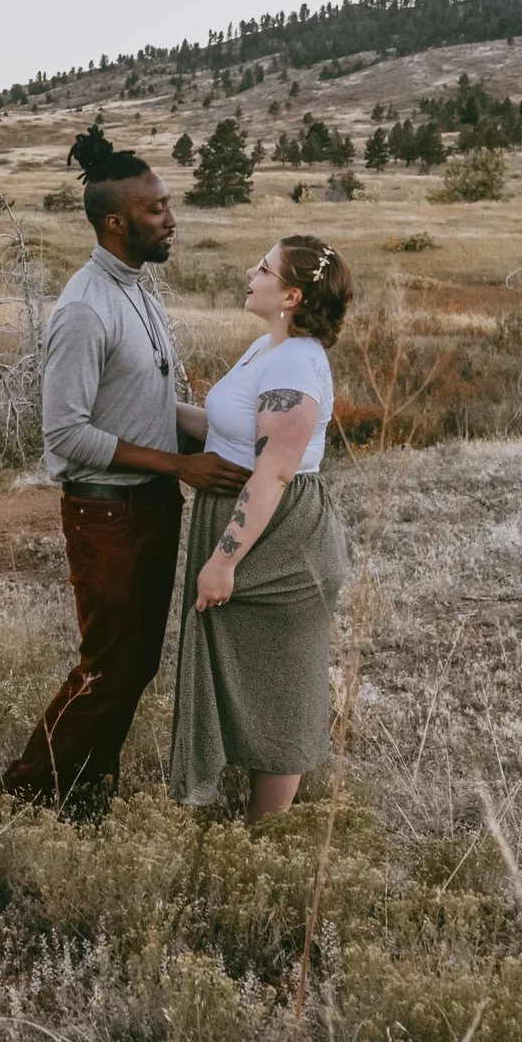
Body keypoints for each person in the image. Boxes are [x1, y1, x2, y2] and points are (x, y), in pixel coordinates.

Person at [3, 126, 250, 811]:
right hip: (107, 510)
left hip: (151, 503)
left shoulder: (138, 287)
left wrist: (236, 435)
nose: (171, 219)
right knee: (109, 664)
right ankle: (29, 793)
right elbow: (67, 432)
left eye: (167, 205)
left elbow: (151, 399)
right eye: (156, 209)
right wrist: (180, 463)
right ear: (117, 222)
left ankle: (83, 789)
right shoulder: (84, 308)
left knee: (134, 663)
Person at [168, 234, 353, 823]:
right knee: (249, 672)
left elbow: (272, 473)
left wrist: (223, 560)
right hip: (250, 525)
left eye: (265, 267)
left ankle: (264, 834)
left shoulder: (296, 367)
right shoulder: (266, 347)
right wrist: (152, 404)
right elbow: (226, 430)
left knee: (282, 685)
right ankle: (246, 819)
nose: (252, 271)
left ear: (291, 295)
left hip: (281, 541)